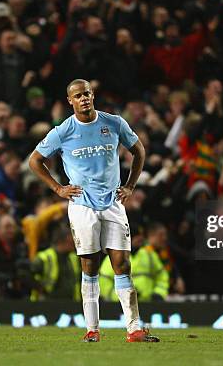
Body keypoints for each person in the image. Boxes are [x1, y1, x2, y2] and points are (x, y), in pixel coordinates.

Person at [29, 78, 158, 343]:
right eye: (78, 96)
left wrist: (131, 186)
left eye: (87, 93)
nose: (84, 98)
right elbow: (35, 160)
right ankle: (92, 330)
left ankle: (134, 328)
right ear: (70, 101)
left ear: (92, 95)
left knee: (122, 264)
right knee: (90, 267)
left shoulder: (114, 123)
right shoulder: (62, 131)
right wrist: (57, 189)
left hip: (113, 203)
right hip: (82, 206)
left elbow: (139, 151)